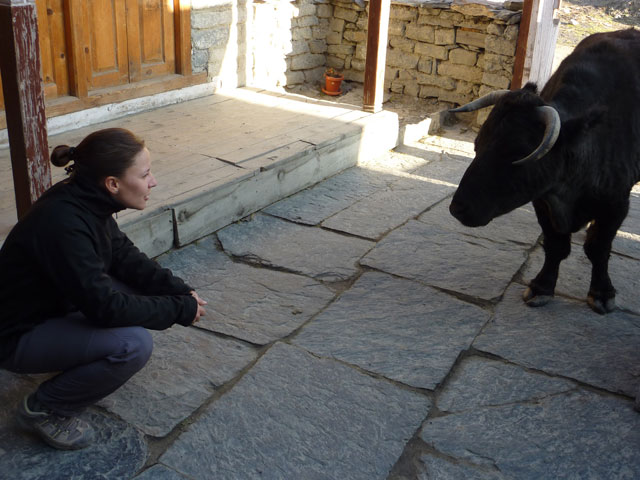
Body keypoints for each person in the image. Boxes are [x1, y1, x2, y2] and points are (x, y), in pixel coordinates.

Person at [0, 128, 207, 450]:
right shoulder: (64, 221)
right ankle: (44, 408)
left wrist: (180, 292)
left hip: (54, 306)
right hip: (15, 334)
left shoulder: (87, 199)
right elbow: (105, 308)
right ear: (113, 183)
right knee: (132, 345)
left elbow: (123, 256)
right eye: (145, 174)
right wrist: (178, 310)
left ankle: (76, 358)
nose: (153, 182)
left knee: (135, 292)